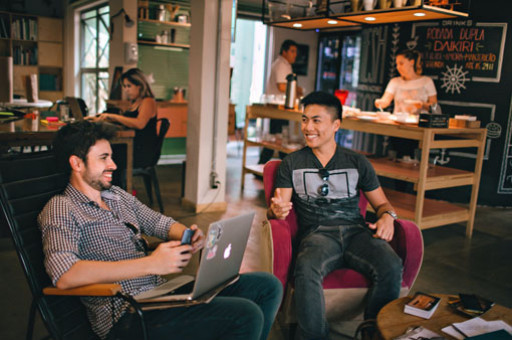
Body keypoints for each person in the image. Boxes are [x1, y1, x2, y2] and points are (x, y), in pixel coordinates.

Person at [38, 120, 283, 340]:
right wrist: (150, 264)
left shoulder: (116, 196)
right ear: (76, 163)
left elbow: (158, 223)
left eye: (111, 156)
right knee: (245, 315)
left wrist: (187, 235)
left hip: (160, 296)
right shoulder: (62, 207)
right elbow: (64, 275)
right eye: (103, 158)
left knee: (266, 286)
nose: (113, 164)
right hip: (127, 316)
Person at [268, 91, 403, 340]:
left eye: (316, 120)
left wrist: (388, 217)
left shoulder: (357, 162)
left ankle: (373, 333)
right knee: (306, 267)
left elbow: (383, 204)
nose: (308, 128)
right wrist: (276, 211)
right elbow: (279, 205)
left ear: (336, 125)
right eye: (304, 120)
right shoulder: (292, 162)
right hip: (318, 234)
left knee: (391, 265)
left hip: (357, 232)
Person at [90, 68, 158, 186]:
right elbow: (128, 122)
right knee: (104, 153)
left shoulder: (148, 101)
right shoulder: (135, 102)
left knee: (108, 156)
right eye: (124, 86)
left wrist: (114, 117)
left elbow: (139, 124)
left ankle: (115, 194)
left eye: (128, 86)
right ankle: (108, 191)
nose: (126, 90)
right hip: (134, 145)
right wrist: (106, 118)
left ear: (140, 86)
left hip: (142, 151)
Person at [374, 49, 438, 158]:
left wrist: (422, 105)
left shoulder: (426, 81)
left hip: (418, 128)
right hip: (398, 127)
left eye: (401, 63)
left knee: (413, 159)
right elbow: (385, 101)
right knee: (396, 158)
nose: (398, 67)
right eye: (397, 64)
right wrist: (379, 103)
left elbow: (435, 107)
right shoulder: (395, 81)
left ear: (411, 62)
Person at [259, 39, 304, 165]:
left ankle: (267, 166)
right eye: (292, 51)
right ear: (284, 52)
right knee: (278, 140)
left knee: (279, 139)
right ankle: (264, 166)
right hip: (278, 108)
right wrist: (297, 89)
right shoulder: (281, 65)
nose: (295, 54)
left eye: (296, 52)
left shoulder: (284, 64)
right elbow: (282, 86)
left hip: (281, 108)